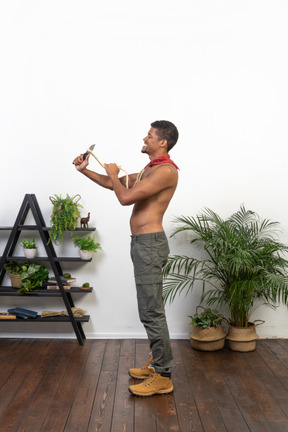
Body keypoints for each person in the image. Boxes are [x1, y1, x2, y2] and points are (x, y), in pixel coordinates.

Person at [73, 120, 179, 397]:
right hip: (143, 244)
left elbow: (125, 198)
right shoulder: (151, 169)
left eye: (150, 135)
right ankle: (158, 364)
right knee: (149, 309)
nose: (144, 138)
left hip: (150, 246)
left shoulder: (166, 171)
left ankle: (164, 375)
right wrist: (87, 171)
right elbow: (114, 184)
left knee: (151, 310)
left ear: (163, 142)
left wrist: (112, 172)